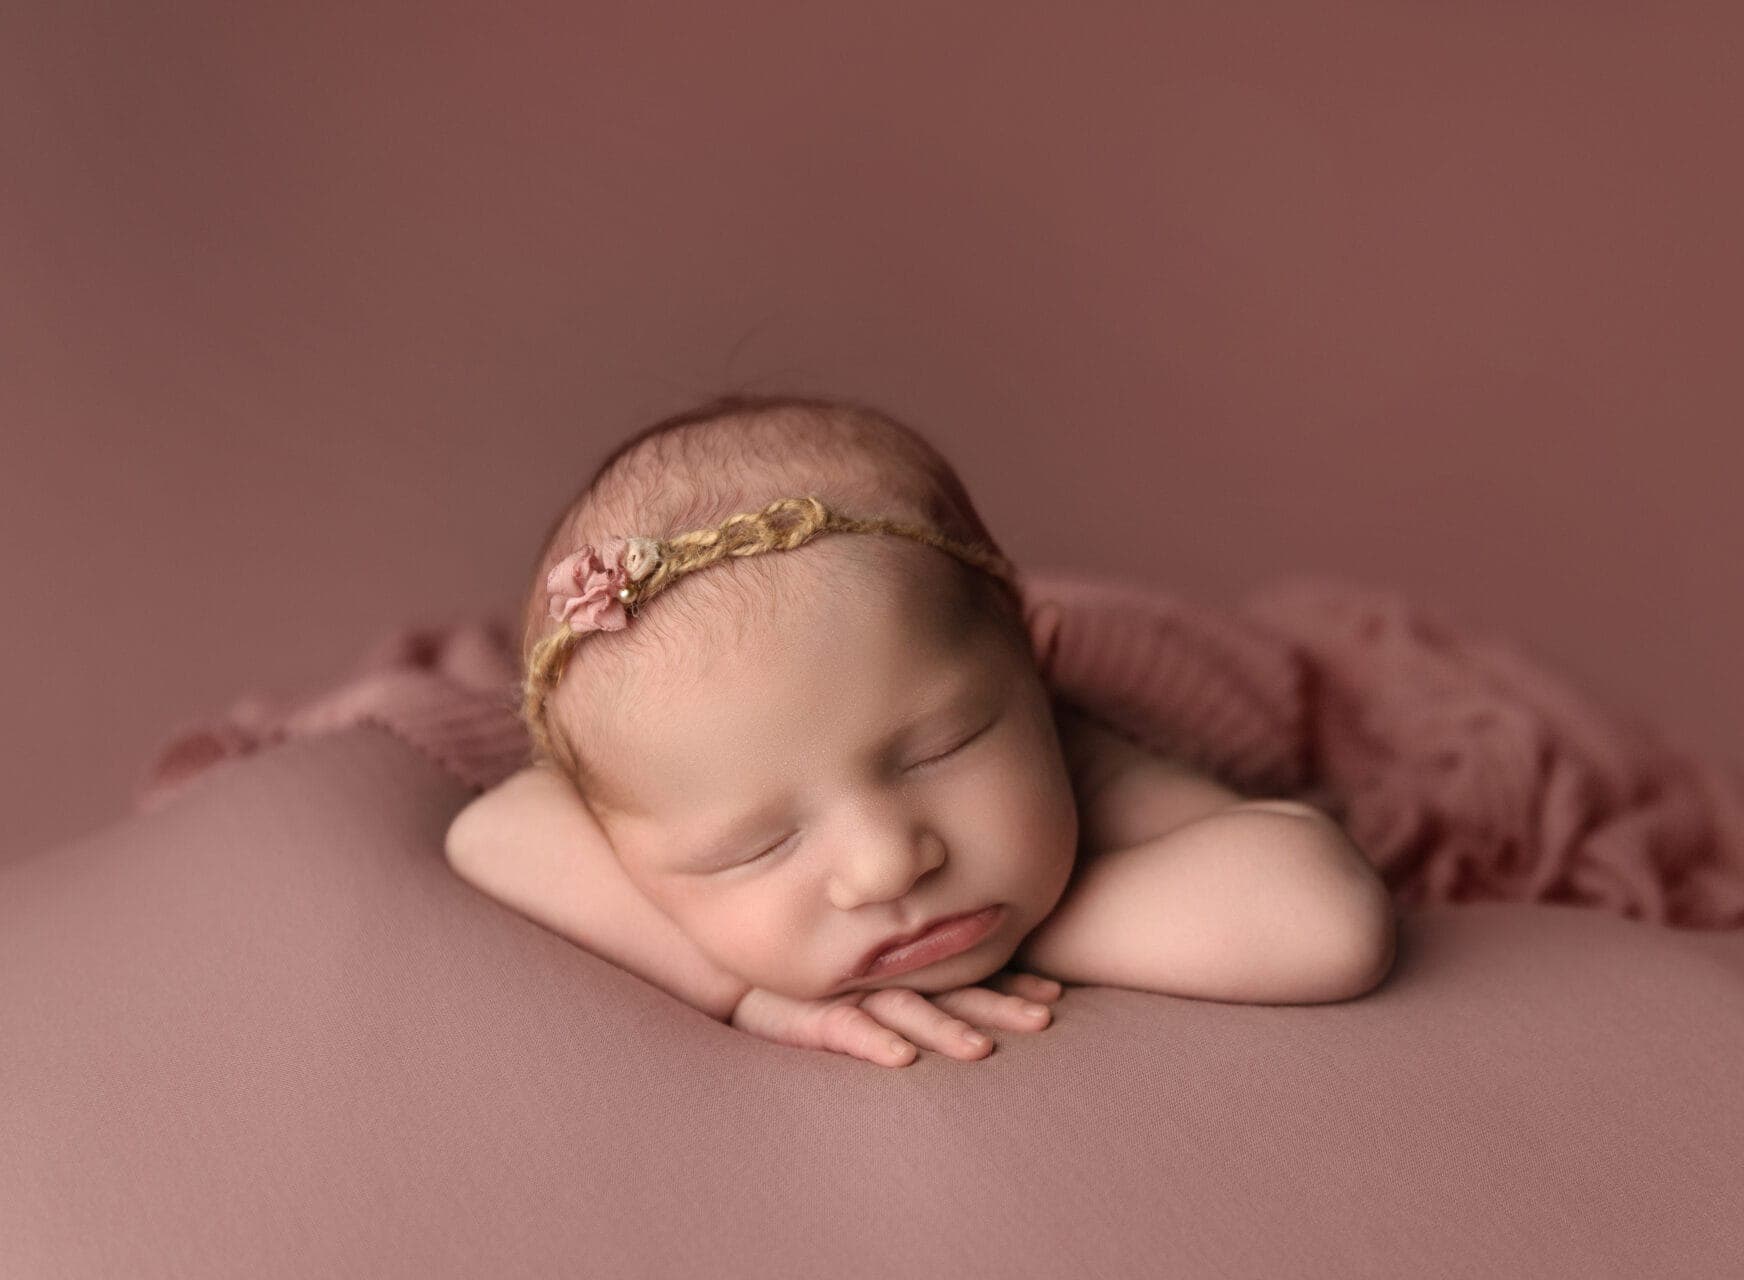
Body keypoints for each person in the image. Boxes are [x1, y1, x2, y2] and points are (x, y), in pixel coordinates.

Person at [445, 393, 1395, 1068]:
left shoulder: (1086, 758)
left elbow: (1326, 919)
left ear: (1037, 675)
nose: (888, 866)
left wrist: (1029, 925)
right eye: (755, 845)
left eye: (940, 751)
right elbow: (489, 834)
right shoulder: (650, 780)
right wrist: (742, 989)